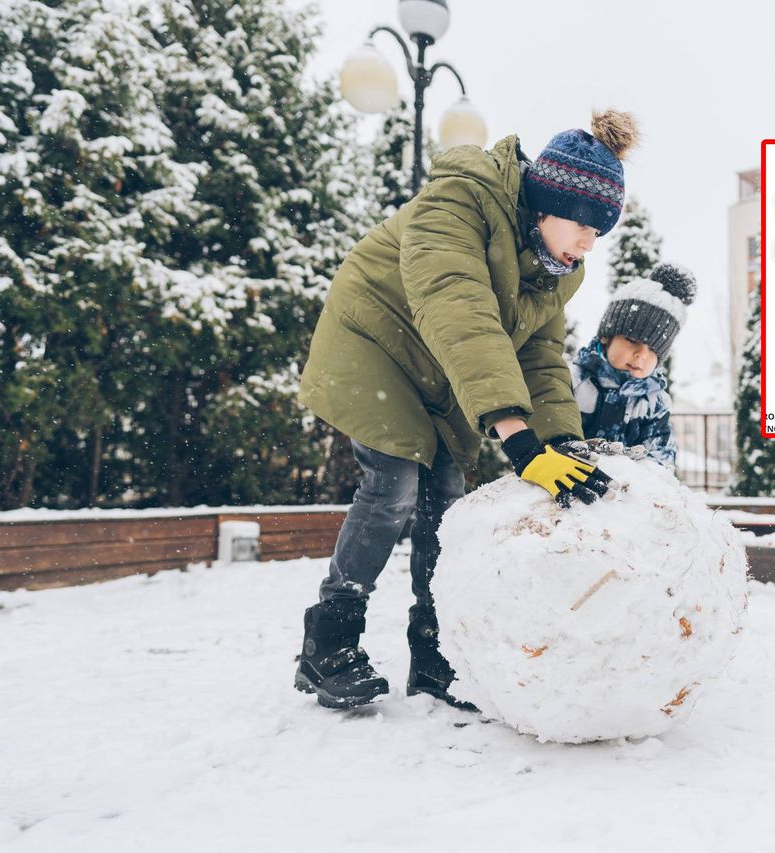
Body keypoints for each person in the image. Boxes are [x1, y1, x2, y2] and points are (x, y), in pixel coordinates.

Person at [293, 110, 639, 711]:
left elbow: (538, 355)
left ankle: (435, 656)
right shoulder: (456, 204)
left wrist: (562, 444)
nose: (588, 242)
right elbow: (462, 312)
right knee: (393, 486)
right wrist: (519, 441)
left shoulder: (557, 269)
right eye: (582, 224)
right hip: (376, 343)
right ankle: (329, 643)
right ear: (544, 202)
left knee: (444, 505)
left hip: (443, 369)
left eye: (599, 232)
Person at [569, 263, 696, 469]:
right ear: (606, 336)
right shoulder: (574, 381)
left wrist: (637, 479)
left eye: (653, 350)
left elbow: (660, 460)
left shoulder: (654, 401)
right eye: (631, 340)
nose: (641, 355)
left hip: (629, 492)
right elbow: (552, 437)